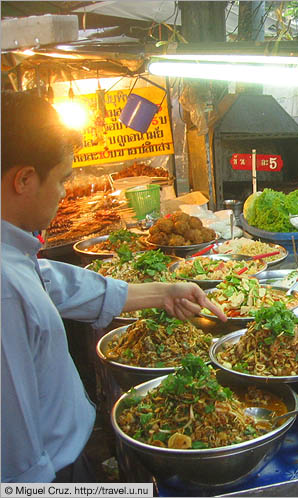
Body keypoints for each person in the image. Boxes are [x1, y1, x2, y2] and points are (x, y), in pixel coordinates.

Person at [1, 91, 227, 483]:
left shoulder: (14, 257)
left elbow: (55, 283)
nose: (63, 193)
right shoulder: (4, 291)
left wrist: (163, 291)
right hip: (51, 478)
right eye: (62, 180)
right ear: (24, 179)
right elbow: (15, 461)